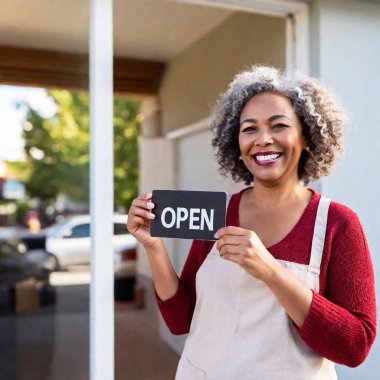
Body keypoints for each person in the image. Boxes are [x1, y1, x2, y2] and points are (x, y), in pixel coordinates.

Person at [127, 65, 377, 379]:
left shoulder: (337, 223)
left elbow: (355, 347)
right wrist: (154, 249)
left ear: (307, 137)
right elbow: (181, 321)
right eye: (250, 129)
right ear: (238, 145)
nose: (263, 139)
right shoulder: (218, 214)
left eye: (279, 125)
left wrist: (270, 270)